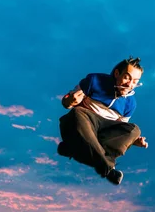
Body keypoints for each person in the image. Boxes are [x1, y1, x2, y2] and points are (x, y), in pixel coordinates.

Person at [57, 56, 148, 185]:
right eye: (127, 77)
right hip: (83, 122)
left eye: (135, 81)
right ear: (117, 73)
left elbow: (119, 131)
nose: (129, 85)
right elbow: (66, 102)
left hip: (103, 132)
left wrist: (132, 140)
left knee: (135, 130)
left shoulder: (130, 103)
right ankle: (108, 168)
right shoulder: (94, 80)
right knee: (78, 112)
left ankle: (75, 149)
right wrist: (70, 101)